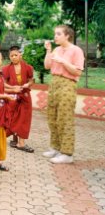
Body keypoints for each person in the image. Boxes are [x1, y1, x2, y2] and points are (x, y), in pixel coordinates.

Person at [43, 25, 84, 164]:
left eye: (58, 34)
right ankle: (55, 148)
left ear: (67, 35)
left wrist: (63, 61)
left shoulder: (76, 51)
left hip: (68, 83)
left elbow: (78, 72)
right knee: (52, 116)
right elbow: (47, 66)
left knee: (64, 118)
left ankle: (67, 153)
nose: (55, 36)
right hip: (54, 83)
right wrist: (48, 51)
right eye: (55, 34)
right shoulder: (56, 49)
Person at [2, 46, 34, 153]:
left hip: (24, 96)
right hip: (12, 96)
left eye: (16, 55)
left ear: (20, 55)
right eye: (11, 56)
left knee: (24, 119)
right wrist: (12, 89)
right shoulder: (6, 69)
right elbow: (4, 83)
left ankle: (21, 143)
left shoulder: (28, 67)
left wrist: (27, 84)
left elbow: (31, 80)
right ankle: (14, 139)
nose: (14, 57)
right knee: (12, 117)